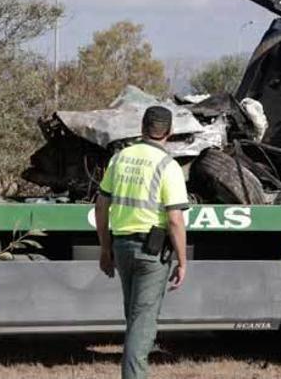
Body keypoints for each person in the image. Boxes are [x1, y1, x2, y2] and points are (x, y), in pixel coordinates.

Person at [95, 106, 189, 379]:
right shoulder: (167, 165)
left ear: (142, 127)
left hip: (122, 247)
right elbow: (175, 220)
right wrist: (183, 261)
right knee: (143, 323)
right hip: (152, 253)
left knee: (134, 318)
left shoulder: (120, 158)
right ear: (169, 133)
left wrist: (105, 248)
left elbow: (101, 205)